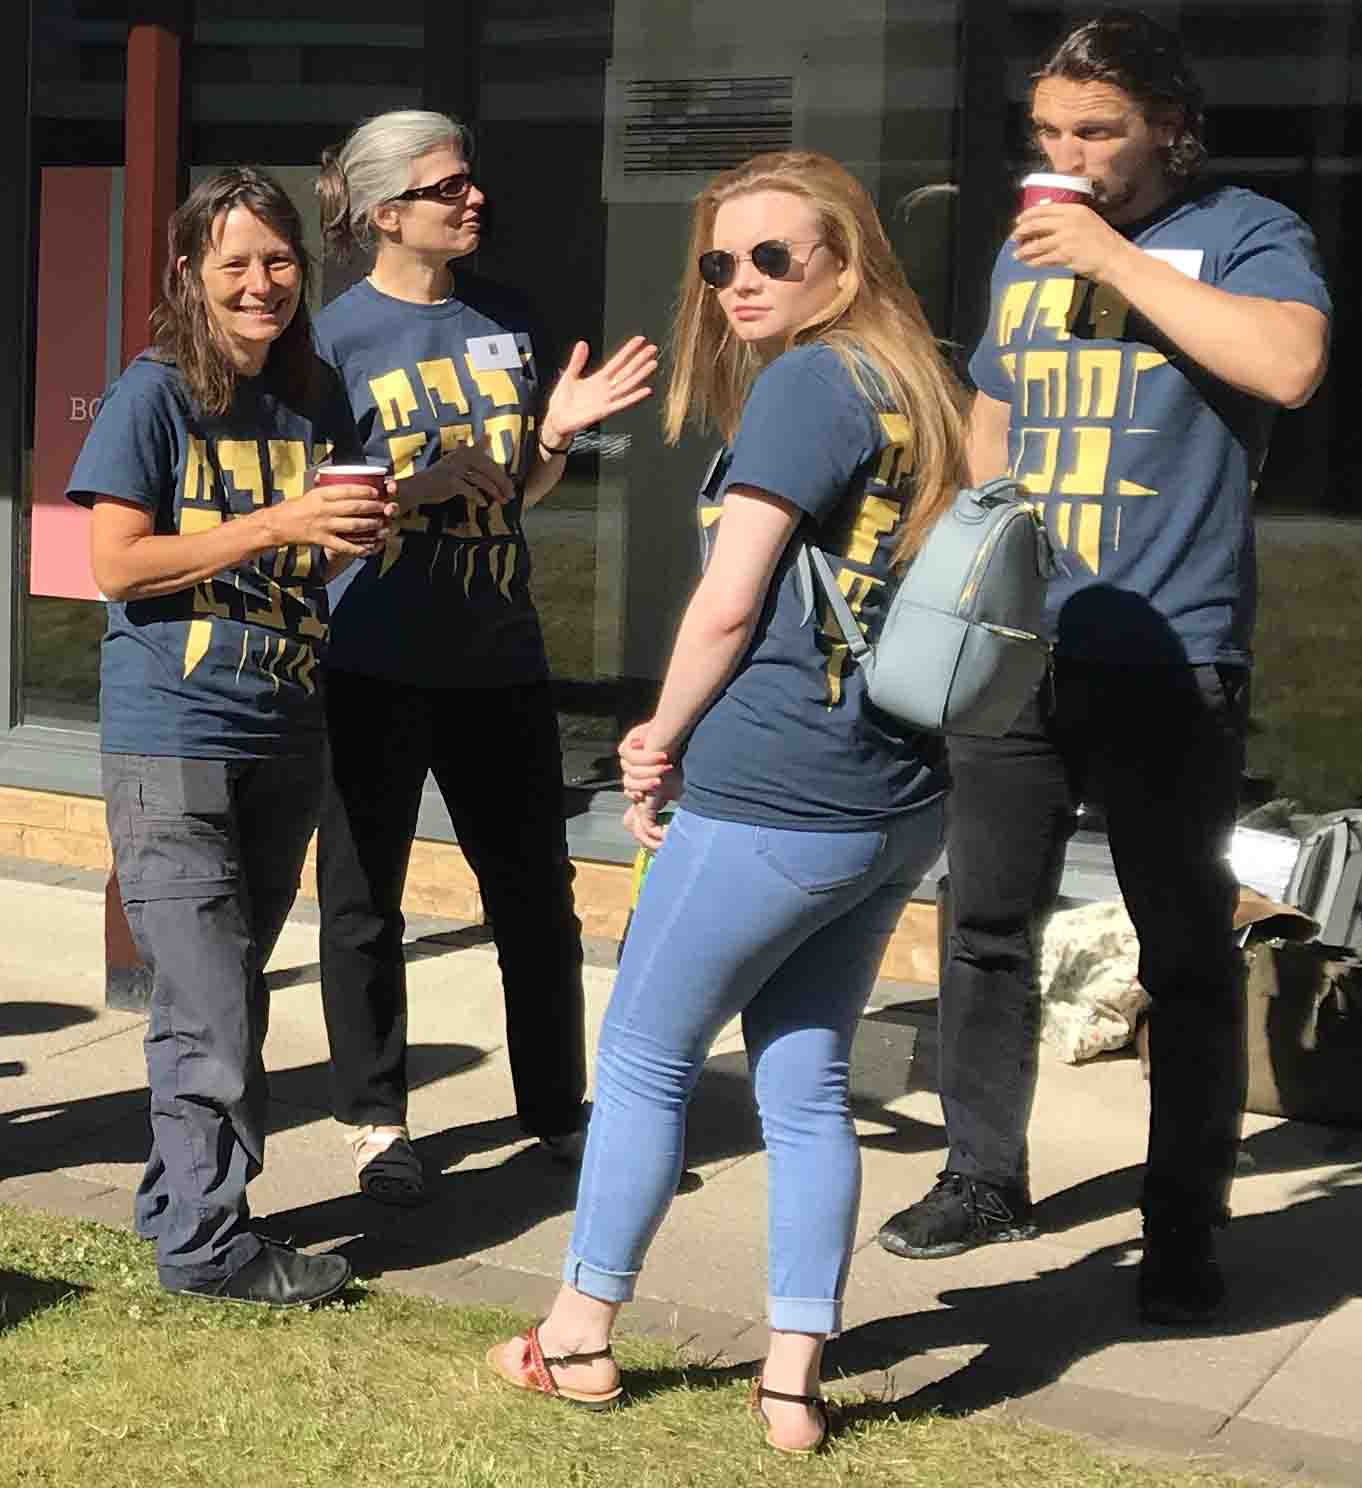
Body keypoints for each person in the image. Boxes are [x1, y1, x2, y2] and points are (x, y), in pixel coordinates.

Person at [487, 149, 968, 1451]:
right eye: (717, 261)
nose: (738, 282)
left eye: (771, 256)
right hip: (893, 797)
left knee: (645, 1058)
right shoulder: (922, 383)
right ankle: (791, 1383)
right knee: (803, 1084)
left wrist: (657, 734)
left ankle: (577, 1336)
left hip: (777, 792)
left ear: (843, 264)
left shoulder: (811, 384)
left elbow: (727, 601)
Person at [876, 9, 1331, 1326]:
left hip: (1169, 651)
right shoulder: (1029, 246)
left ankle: (1180, 1230)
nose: (1064, 157)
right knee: (984, 924)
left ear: (1169, 129)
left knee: (1181, 954)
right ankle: (980, 1175)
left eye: (1096, 131)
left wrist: (1111, 259)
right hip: (1026, 646)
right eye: (1047, 132)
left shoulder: (1244, 231)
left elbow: (1290, 366)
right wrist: (980, 541)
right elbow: (997, 399)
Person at [312, 111, 657, 1205]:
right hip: (368, 655)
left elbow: (518, 490)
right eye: (447, 187)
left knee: (535, 898)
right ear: (385, 214)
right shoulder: (331, 341)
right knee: (364, 901)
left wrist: (554, 436)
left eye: (470, 182)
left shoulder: (504, 316)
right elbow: (313, 509)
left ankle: (557, 1112)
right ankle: (375, 1120)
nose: (474, 200)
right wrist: (414, 488)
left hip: (499, 651)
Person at [67, 168, 395, 1305]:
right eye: (235, 263)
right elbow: (115, 565)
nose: (261, 283)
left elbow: (323, 540)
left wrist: (357, 531)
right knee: (207, 997)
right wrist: (276, 523)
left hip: (285, 726)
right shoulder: (153, 394)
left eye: (279, 260)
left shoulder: (315, 394)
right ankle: (209, 1248)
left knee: (227, 989)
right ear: (189, 275)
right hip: (173, 736)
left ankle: (181, 1206)